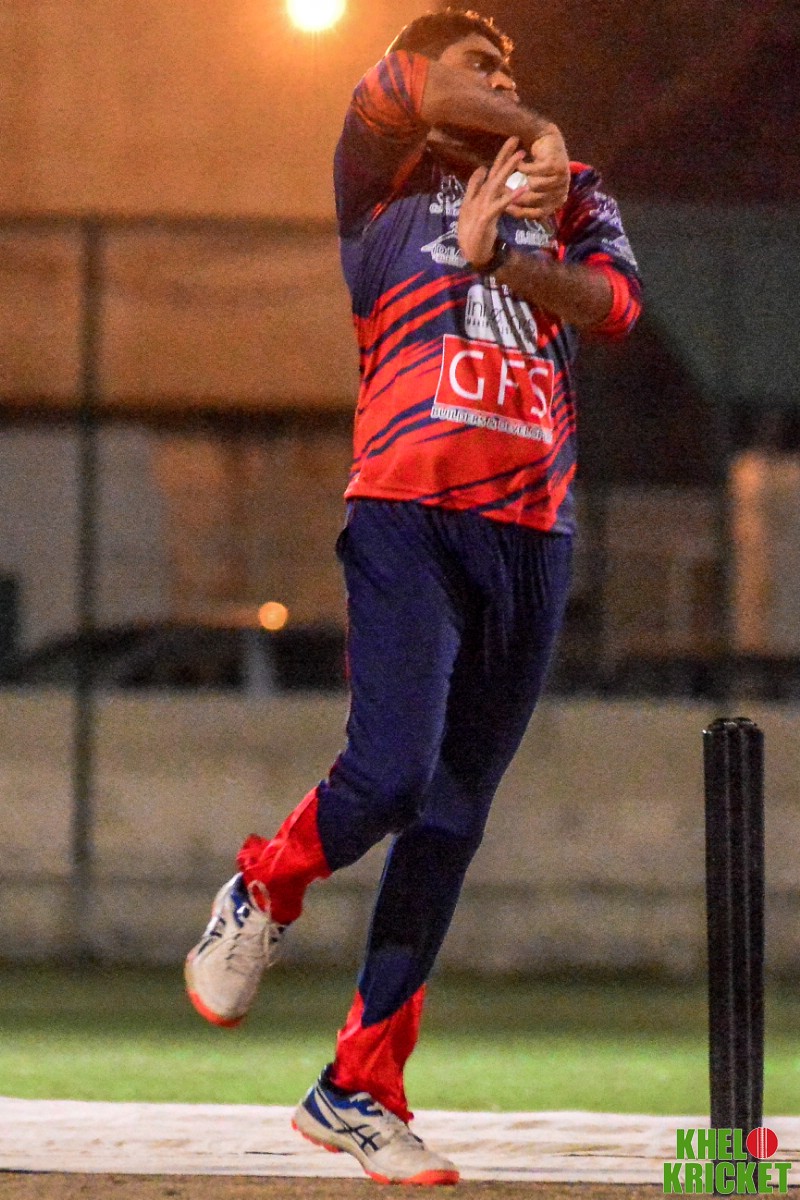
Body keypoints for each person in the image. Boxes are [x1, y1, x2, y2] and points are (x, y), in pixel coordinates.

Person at [185, 7, 642, 1186]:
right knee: (389, 774)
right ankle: (267, 882)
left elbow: (612, 308)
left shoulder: (570, 194)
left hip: (532, 531)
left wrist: (508, 258)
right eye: (479, 68)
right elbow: (407, 82)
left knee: (450, 816)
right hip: (406, 507)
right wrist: (531, 125)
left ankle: (356, 1089)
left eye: (513, 74)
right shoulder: (382, 170)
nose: (500, 85)